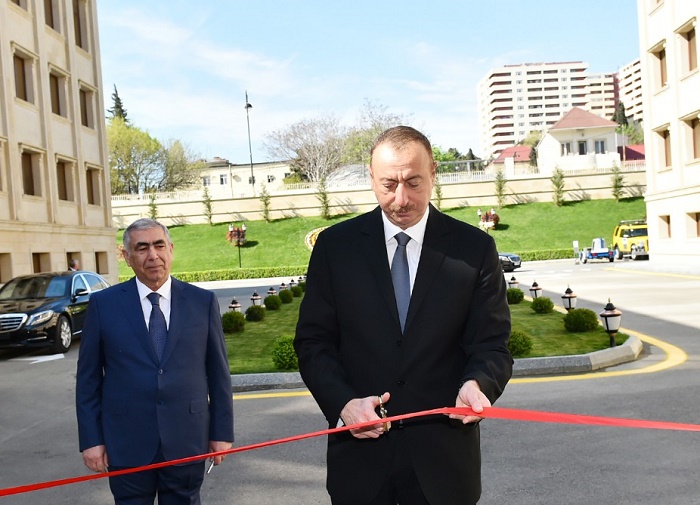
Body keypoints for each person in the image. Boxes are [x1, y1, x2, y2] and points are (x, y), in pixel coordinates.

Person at [294, 126, 512, 505]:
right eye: (388, 184)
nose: (401, 198)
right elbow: (314, 343)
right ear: (371, 178)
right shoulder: (335, 247)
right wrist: (344, 404)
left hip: (444, 465)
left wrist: (478, 384)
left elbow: (492, 345)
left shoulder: (474, 248)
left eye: (413, 182)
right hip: (359, 462)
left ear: (434, 173)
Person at [76, 218, 234, 505]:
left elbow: (219, 373)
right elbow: (88, 380)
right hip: (126, 443)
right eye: (142, 248)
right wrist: (91, 440)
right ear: (127, 257)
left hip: (187, 439)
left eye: (159, 245)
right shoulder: (104, 305)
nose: (153, 255)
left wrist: (221, 433)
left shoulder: (202, 302)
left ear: (171, 249)